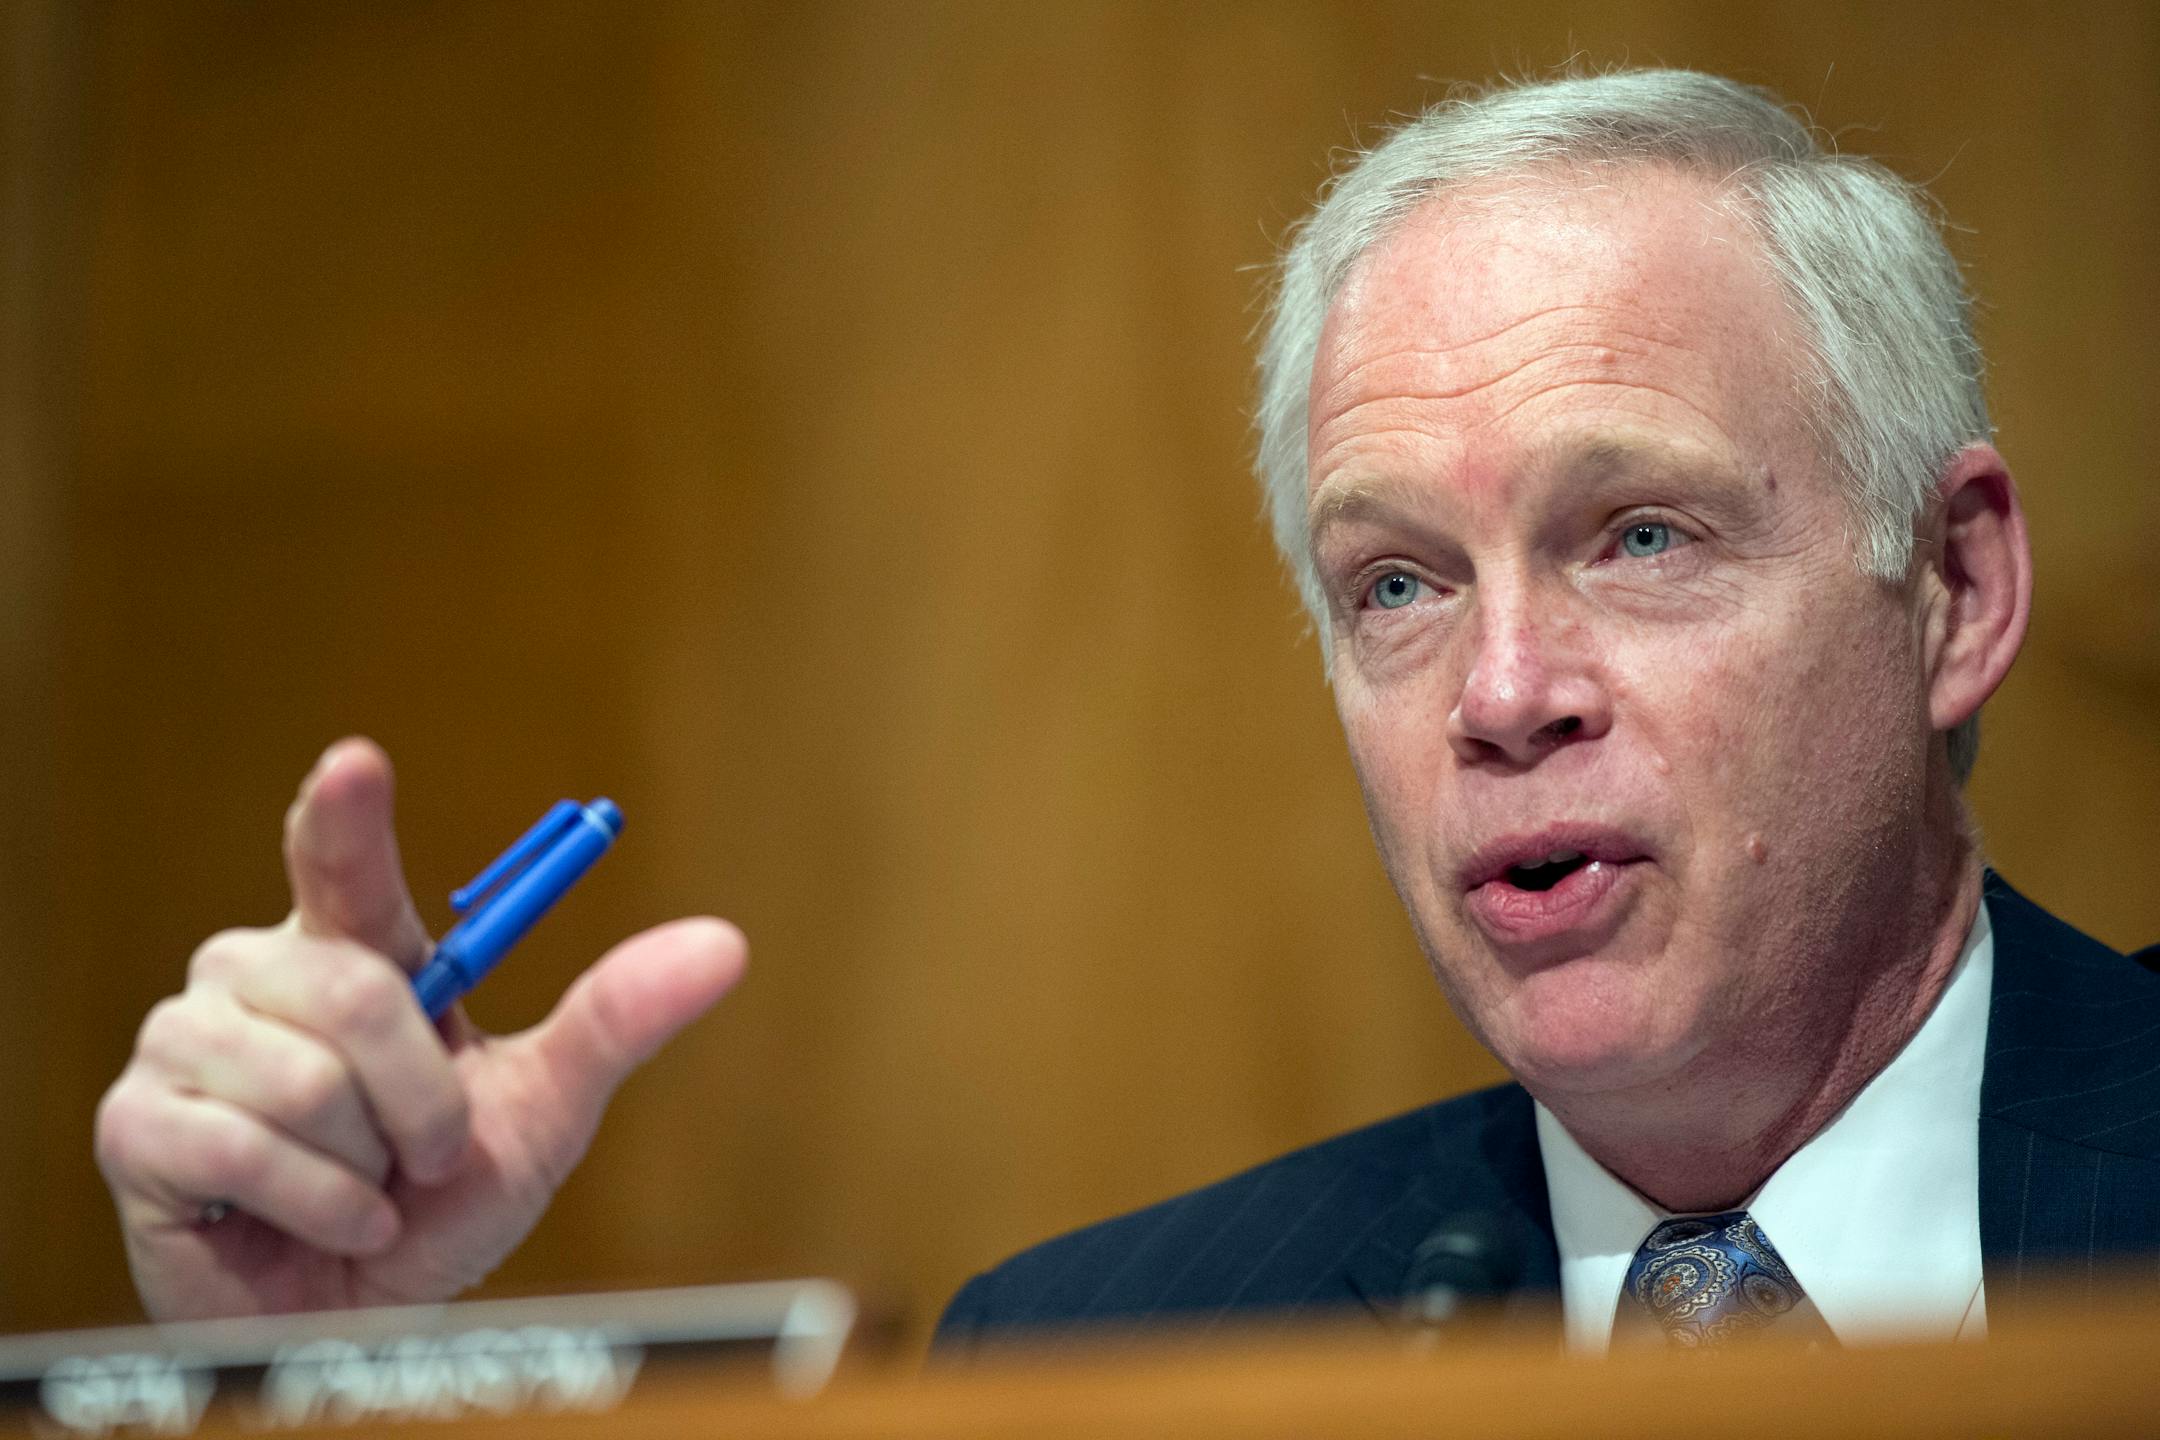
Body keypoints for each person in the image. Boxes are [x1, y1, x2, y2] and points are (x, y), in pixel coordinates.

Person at [95, 68, 2158, 1352]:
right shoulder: (1110, 1360)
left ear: (1953, 590)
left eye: (1637, 538)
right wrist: (306, 1378)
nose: (1503, 699)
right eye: (1399, 586)